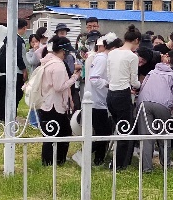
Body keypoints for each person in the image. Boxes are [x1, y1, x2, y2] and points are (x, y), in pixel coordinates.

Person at [136, 49, 173, 173]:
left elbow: (142, 86)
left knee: (146, 136)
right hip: (163, 104)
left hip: (144, 102)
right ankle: (165, 164)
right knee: (164, 135)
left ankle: (146, 167)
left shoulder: (151, 72)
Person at [39, 36, 81, 165]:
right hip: (54, 105)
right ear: (63, 51)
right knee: (55, 133)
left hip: (47, 103)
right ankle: (51, 161)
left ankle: (55, 160)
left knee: (57, 132)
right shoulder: (58, 65)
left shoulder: (48, 60)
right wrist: (74, 78)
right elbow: (59, 87)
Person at [107, 24, 142, 170]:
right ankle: (119, 164)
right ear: (136, 41)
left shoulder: (112, 53)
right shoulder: (132, 56)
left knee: (118, 127)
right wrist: (140, 85)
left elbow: (109, 75)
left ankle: (118, 160)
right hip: (122, 94)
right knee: (125, 129)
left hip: (111, 94)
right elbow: (134, 81)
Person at [87, 33, 120, 166]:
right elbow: (94, 78)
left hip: (99, 100)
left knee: (103, 132)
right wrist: (109, 84)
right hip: (96, 101)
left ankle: (97, 158)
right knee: (103, 133)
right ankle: (88, 155)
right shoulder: (102, 59)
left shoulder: (102, 58)